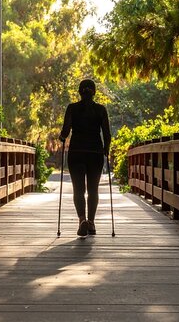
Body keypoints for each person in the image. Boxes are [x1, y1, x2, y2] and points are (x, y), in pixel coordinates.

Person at [59, 79, 111, 237]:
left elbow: (66, 131)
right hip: (95, 153)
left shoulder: (72, 108)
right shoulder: (101, 110)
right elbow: (107, 134)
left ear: (79, 92)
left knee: (79, 189)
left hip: (77, 152)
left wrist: (62, 137)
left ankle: (82, 219)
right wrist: (106, 150)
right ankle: (92, 223)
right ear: (94, 92)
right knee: (93, 189)